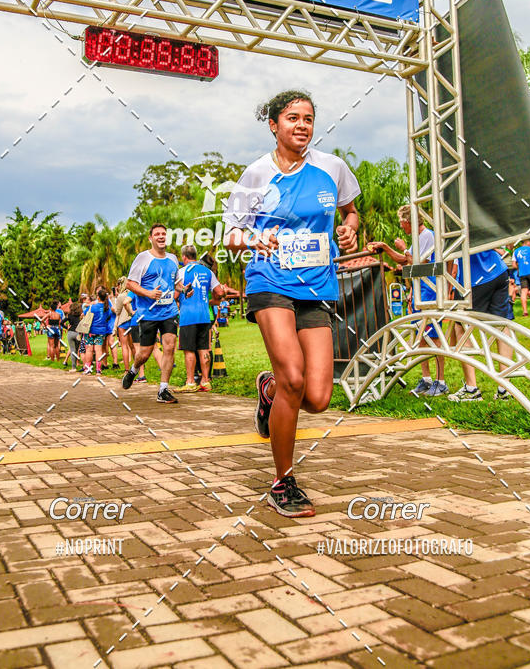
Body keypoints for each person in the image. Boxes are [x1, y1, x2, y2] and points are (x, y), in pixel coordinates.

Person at [223, 90, 360, 518]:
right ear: (274, 125)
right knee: (294, 379)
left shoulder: (332, 168)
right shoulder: (256, 175)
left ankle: (269, 391)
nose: (301, 125)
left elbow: (351, 212)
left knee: (318, 397)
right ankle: (283, 483)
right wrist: (253, 237)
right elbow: (230, 236)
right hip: (270, 280)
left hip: (316, 285)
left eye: (308, 118)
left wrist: (349, 230)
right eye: (292, 118)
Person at [370, 205, 449, 397]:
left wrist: (404, 249)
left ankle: (441, 381)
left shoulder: (428, 236)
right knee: (421, 337)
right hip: (418, 293)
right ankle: (427, 379)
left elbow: (416, 262)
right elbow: (405, 261)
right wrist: (386, 248)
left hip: (429, 293)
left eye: (401, 222)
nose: (401, 226)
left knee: (434, 338)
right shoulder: (416, 239)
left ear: (408, 222)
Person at [121, 223, 191, 403]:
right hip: (148, 314)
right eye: (157, 234)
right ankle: (134, 370)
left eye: (163, 234)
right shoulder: (143, 258)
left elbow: (174, 283)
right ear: (150, 238)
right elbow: (130, 284)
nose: (161, 237)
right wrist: (149, 293)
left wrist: (183, 290)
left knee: (169, 347)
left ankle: (163, 390)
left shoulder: (173, 259)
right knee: (145, 352)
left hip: (169, 312)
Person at [448, 249, 513, 402]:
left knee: (461, 326)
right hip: (499, 270)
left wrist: (447, 287)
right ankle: (505, 389)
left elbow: (448, 255)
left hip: (475, 277)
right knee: (501, 326)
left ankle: (471, 389)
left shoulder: (455, 224)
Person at [174, 244, 225, 393]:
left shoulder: (182, 272)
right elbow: (220, 292)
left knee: (189, 350)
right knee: (204, 348)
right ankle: (205, 381)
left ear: (184, 257)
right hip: (204, 316)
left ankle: (190, 382)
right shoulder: (208, 272)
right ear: (195, 256)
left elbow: (176, 295)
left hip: (188, 316)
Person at [82, 287, 114, 375]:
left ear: (98, 297)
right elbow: (108, 317)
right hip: (101, 331)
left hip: (91, 331)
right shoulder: (107, 308)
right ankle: (98, 370)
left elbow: (83, 314)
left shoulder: (92, 307)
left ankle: (88, 369)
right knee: (98, 350)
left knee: (89, 350)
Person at [512, 239, 530, 316]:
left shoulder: (516, 251)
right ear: (526, 242)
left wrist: (519, 268)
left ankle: (525, 312)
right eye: (529, 242)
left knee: (524, 292)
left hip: (522, 274)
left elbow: (514, 265)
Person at [64, 300, 83, 370]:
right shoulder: (80, 316)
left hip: (70, 333)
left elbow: (61, 323)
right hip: (78, 333)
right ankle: (80, 364)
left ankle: (73, 367)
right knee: (77, 350)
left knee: (72, 350)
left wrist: (66, 327)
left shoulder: (69, 315)